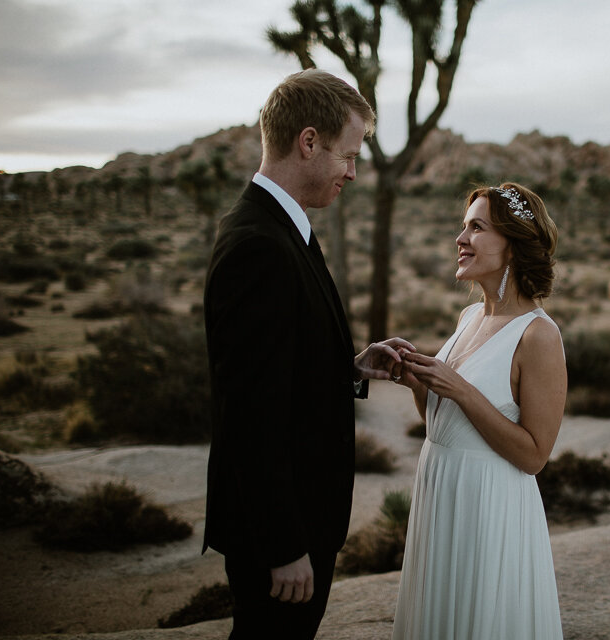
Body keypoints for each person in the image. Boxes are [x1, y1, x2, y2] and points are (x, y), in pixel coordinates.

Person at [203, 69, 413, 640]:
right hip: (280, 535)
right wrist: (284, 545)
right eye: (348, 156)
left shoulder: (281, 228)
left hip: (298, 520)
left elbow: (276, 372)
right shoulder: (259, 246)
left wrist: (347, 369)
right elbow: (249, 412)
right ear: (309, 141)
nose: (352, 171)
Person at [390, 182, 567, 638]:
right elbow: (443, 425)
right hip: (441, 490)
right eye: (463, 227)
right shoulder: (469, 318)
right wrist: (416, 381)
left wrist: (462, 391)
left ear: (511, 245)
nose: (460, 239)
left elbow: (534, 456)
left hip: (489, 506)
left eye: (477, 228)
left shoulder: (538, 335)